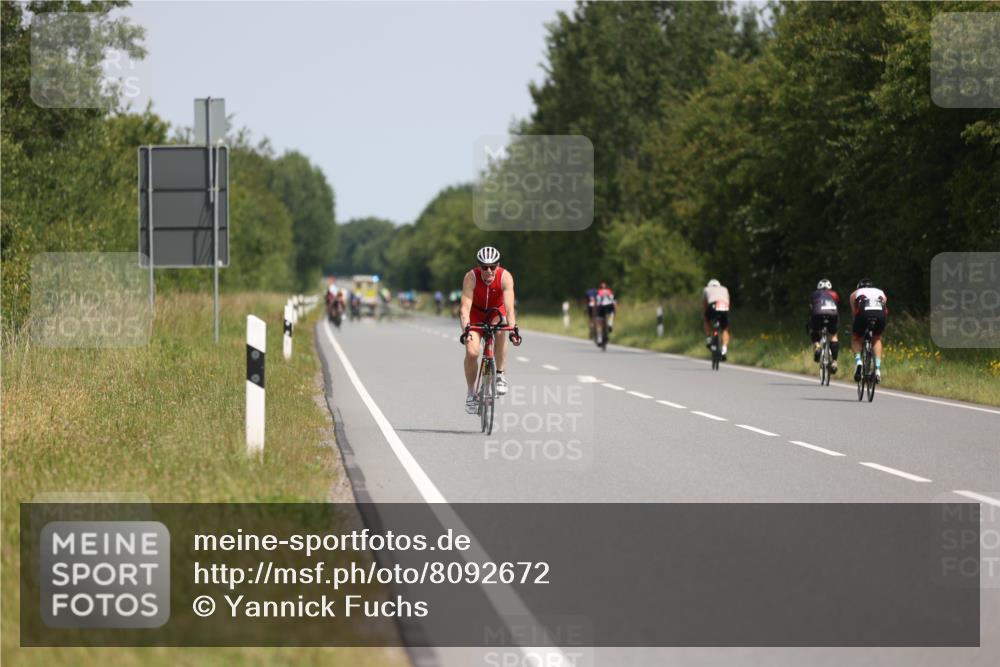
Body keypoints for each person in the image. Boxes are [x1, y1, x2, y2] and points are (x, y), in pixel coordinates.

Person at [459, 246, 520, 413]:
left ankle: (500, 374)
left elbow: (509, 310)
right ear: (479, 266)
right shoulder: (471, 277)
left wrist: (513, 330)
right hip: (476, 313)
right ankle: (471, 393)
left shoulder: (505, 277)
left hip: (496, 311)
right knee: (472, 352)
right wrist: (466, 330)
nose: (489, 271)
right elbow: (464, 309)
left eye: (493, 266)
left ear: (498, 265)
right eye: (484, 267)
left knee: (501, 329)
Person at [849, 278, 889, 383]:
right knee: (876, 339)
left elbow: (855, 313)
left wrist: (855, 329)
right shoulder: (880, 292)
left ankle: (858, 362)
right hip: (880, 314)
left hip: (863, 313)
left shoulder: (855, 293)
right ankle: (878, 369)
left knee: (856, 338)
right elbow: (885, 307)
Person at [807, 279, 840, 374]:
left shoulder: (814, 294)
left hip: (818, 313)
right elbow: (836, 305)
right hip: (832, 313)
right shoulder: (834, 294)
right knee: (833, 336)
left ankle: (817, 346)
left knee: (814, 330)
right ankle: (834, 362)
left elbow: (812, 308)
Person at [702, 278, 730, 360]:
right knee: (725, 329)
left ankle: (708, 339)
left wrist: (705, 314)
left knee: (706, 320)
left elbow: (705, 304)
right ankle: (724, 350)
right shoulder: (724, 289)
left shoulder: (706, 289)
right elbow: (728, 302)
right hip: (724, 306)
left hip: (713, 306)